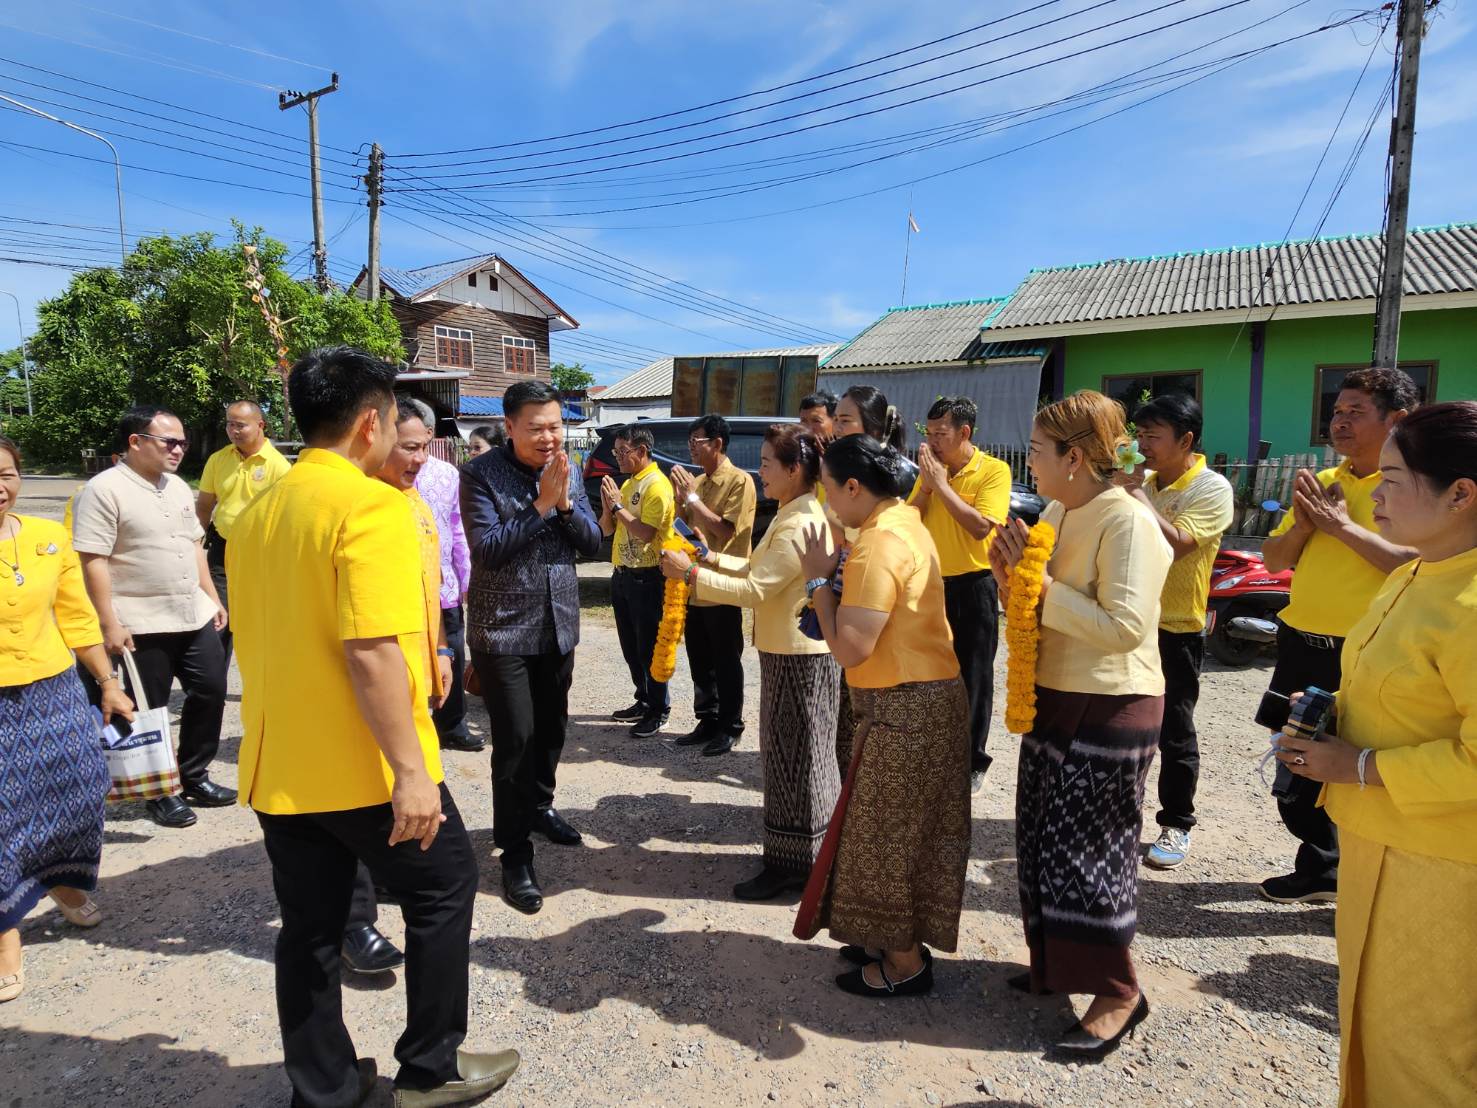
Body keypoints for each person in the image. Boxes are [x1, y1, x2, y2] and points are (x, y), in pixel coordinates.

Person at [229, 347, 518, 1108]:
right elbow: (373, 652)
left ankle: (322, 1088)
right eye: (393, 420)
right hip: (360, 764)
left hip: (280, 763)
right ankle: (430, 1069)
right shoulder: (372, 507)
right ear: (369, 423)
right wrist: (411, 773)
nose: (396, 437)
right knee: (444, 886)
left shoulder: (256, 512)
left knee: (311, 930)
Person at [1273, 401, 1477, 1107]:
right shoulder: (1417, 572)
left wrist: (1358, 766)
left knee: (1424, 1055)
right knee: (1377, 1029)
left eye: (1392, 477)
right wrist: (1325, 723)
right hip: (1378, 844)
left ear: (1460, 493)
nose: (1375, 493)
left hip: (1441, 868)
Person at [990, 390, 1172, 1056]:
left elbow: (1124, 629)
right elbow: (1042, 602)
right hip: (1055, 693)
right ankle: (1061, 968)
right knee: (1042, 840)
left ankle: (1118, 992)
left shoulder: (1126, 521)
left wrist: (1037, 590)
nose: (1028, 464)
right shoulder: (1063, 508)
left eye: (1036, 452)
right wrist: (1010, 578)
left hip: (1109, 703)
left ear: (1072, 456)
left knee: (1090, 854)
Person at [795, 434, 970, 998]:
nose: (826, 504)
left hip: (906, 704)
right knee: (890, 832)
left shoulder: (878, 545)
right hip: (914, 698)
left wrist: (819, 580)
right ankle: (887, 937)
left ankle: (904, 963)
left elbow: (850, 648)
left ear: (853, 487)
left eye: (827, 490)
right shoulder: (899, 521)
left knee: (886, 838)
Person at [1258, 367, 1420, 903]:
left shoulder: (1413, 484)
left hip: (1363, 654)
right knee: (1296, 765)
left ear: (1397, 420)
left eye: (1355, 412)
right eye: (1336, 411)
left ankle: (1364, 880)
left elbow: (1414, 565)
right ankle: (1323, 866)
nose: (1340, 421)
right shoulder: (1328, 483)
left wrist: (1340, 528)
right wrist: (1306, 526)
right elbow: (1274, 559)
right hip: (1301, 642)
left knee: (1351, 764)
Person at [661, 424, 839, 898]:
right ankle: (795, 861)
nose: (759, 471)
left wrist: (693, 573)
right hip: (791, 655)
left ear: (794, 469)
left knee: (799, 764)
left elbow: (756, 590)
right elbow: (760, 572)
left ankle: (801, 865)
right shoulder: (792, 512)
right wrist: (708, 558)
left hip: (800, 660)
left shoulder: (800, 521)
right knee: (790, 760)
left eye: (765, 463)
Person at [0, 436, 135, 1004]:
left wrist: (108, 684)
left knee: (76, 796)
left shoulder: (47, 537)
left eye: (5, 473)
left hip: (54, 695)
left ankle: (61, 883)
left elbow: (76, 618)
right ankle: (7, 942)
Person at [461, 380, 601, 915]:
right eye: (537, 428)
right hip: (503, 631)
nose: (548, 437)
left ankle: (539, 807)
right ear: (510, 425)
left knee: (551, 731)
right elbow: (488, 550)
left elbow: (592, 544)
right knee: (515, 740)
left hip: (557, 625)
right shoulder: (479, 474)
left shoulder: (568, 469)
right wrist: (541, 506)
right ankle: (513, 852)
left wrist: (565, 505)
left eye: (555, 426)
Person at [338, 399, 458, 978]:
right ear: (377, 437)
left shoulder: (416, 505)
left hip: (414, 674)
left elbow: (429, 590)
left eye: (425, 446)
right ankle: (354, 923)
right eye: (407, 445)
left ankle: (384, 879)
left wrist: (439, 650)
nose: (418, 457)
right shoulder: (357, 508)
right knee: (362, 788)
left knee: (392, 791)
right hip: (368, 682)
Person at [72, 406, 233, 829]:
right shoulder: (105, 490)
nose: (180, 448)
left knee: (211, 690)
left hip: (190, 612)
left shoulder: (178, 486)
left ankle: (193, 775)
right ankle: (158, 790)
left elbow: (196, 547)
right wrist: (108, 623)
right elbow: (93, 560)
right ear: (135, 442)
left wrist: (213, 598)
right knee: (149, 709)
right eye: (170, 441)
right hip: (140, 620)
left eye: (182, 441)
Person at [1117, 394, 1233, 870]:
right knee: (1124, 725)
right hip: (1128, 621)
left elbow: (1182, 544)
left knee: (1175, 732)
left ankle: (1177, 822)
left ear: (1186, 440)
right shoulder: (1139, 479)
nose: (1143, 445)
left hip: (1177, 628)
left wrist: (1136, 494)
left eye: (1153, 437)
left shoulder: (1211, 487)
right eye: (1139, 435)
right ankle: (1121, 815)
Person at [910, 396, 1011, 794]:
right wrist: (927, 487)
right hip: (932, 584)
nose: (933, 441)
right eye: (929, 433)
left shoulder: (994, 471)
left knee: (974, 676)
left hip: (975, 584)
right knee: (931, 673)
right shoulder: (931, 470)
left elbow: (981, 527)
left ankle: (973, 760)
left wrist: (941, 485)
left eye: (941, 434)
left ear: (964, 433)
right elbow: (911, 516)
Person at [669, 414, 757, 756]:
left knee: (726, 660)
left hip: (723, 584)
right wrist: (681, 502)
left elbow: (724, 531)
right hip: (695, 582)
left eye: (696, 442)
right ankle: (706, 719)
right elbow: (688, 528)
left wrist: (691, 499)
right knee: (700, 658)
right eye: (689, 442)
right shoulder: (700, 482)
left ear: (717, 444)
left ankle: (730, 725)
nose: (690, 448)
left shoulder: (739, 481)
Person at [403, 398, 480, 754]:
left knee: (451, 654)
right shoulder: (378, 474)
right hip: (402, 586)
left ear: (430, 433)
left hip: (443, 584)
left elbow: (459, 529)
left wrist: (466, 580)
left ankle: (453, 724)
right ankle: (411, 726)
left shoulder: (448, 473)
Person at [195, 400, 291, 663]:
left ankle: (262, 679)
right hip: (222, 548)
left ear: (260, 425)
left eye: (240, 425)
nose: (233, 430)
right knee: (218, 615)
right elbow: (204, 506)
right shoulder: (219, 459)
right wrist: (193, 545)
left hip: (260, 553)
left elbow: (285, 517)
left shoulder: (278, 466)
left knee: (257, 620)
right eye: (229, 424)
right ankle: (215, 683)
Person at [599, 426, 677, 739]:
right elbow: (606, 529)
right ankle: (643, 699)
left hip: (648, 576)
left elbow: (646, 532)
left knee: (649, 647)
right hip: (623, 574)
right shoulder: (629, 483)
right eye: (615, 452)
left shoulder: (656, 485)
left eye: (622, 451)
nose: (616, 457)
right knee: (631, 646)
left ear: (641, 451)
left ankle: (660, 710)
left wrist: (618, 506)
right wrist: (608, 508)